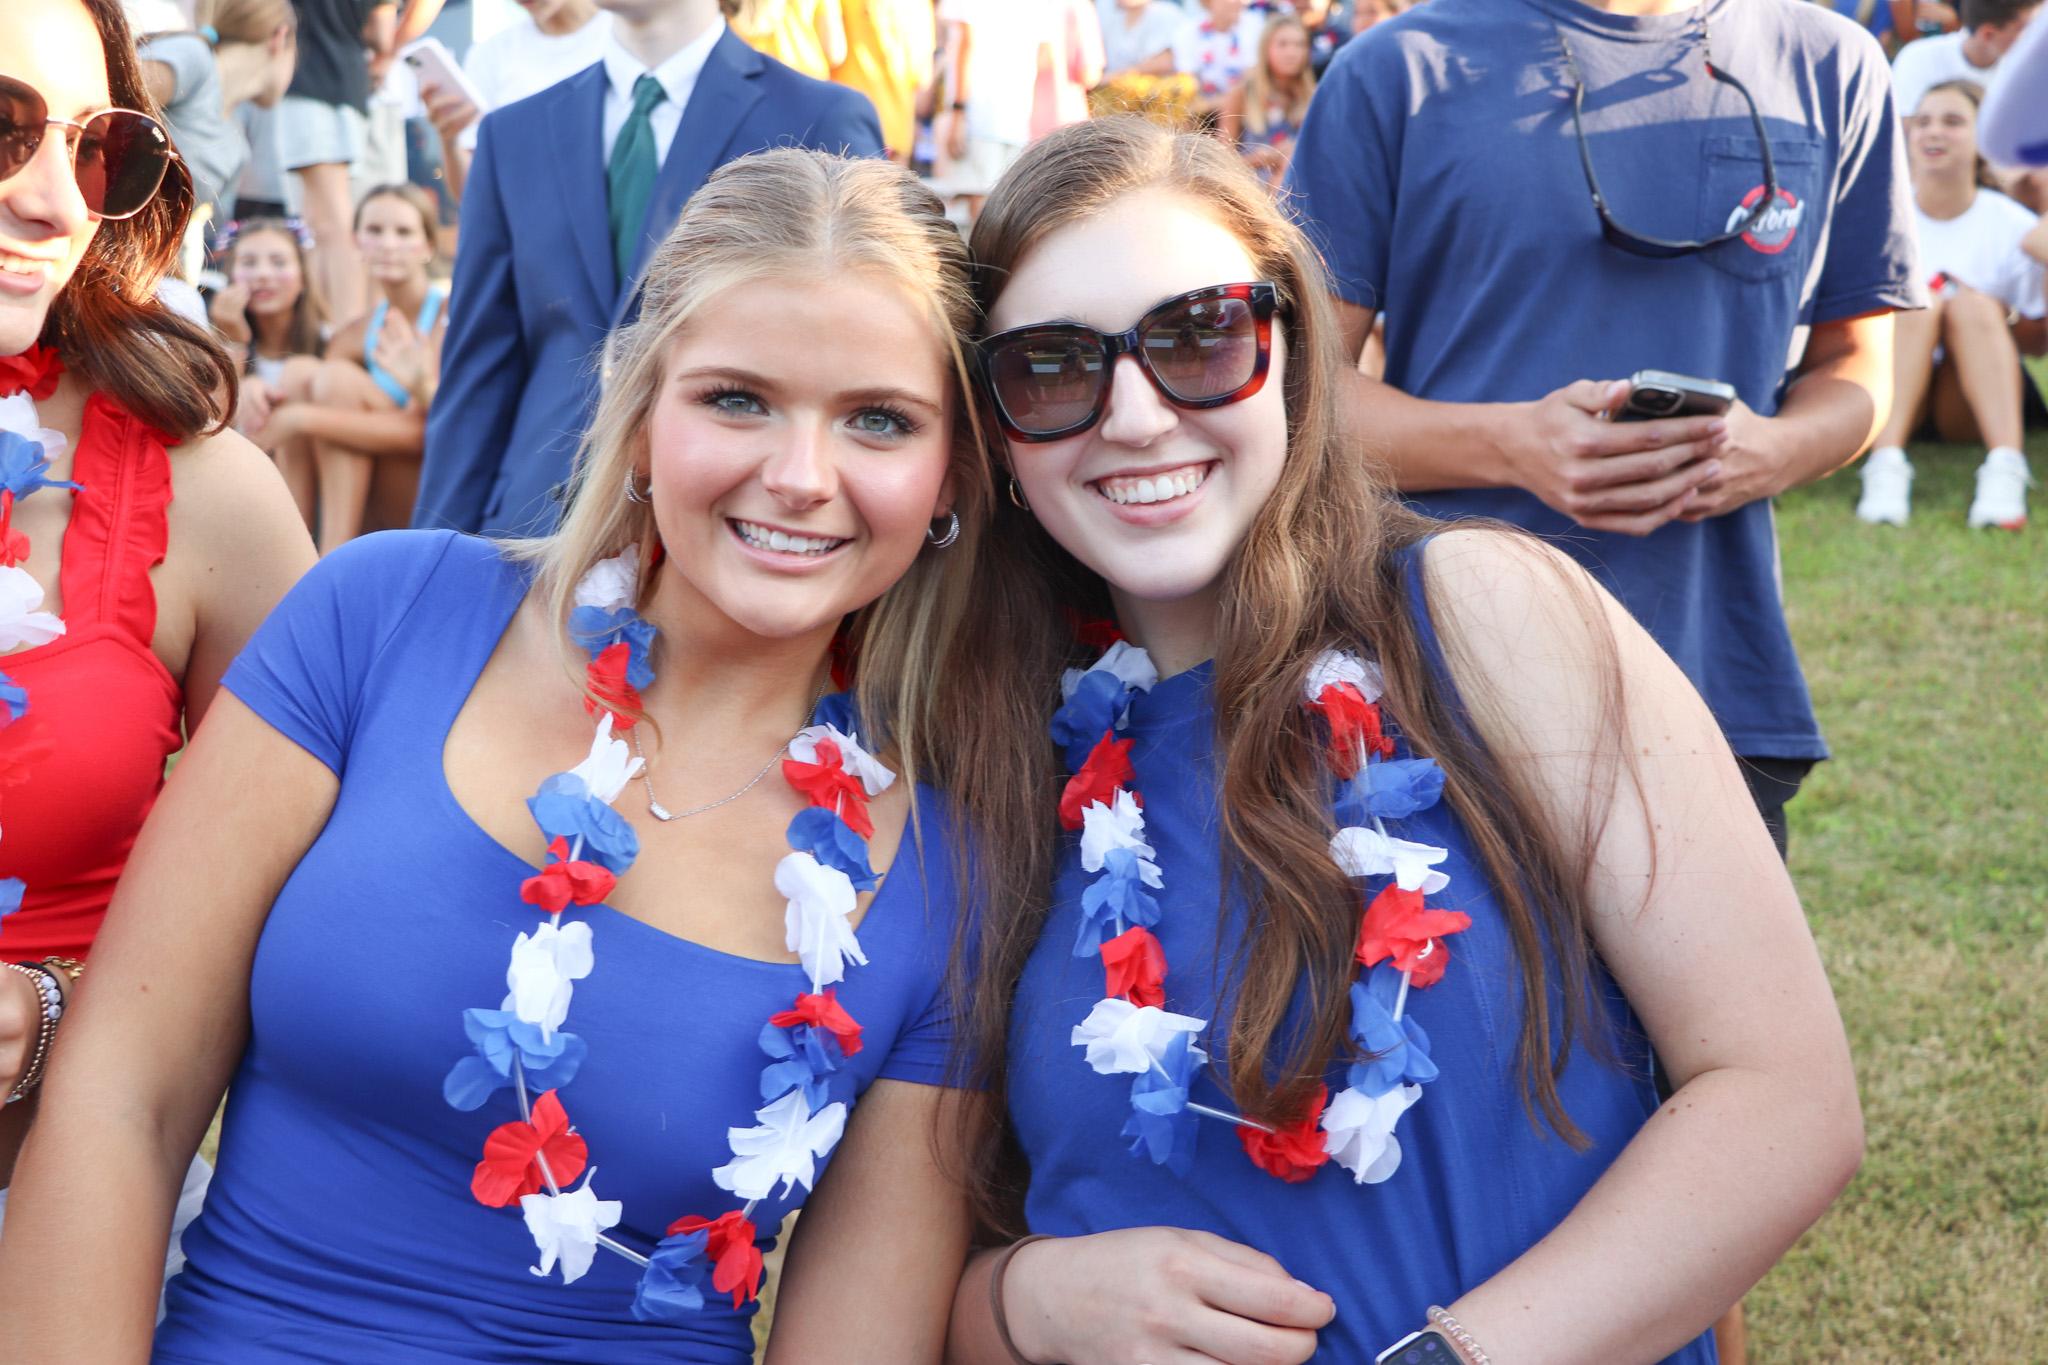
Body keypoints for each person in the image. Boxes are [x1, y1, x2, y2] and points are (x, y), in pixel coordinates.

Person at [0, 148, 987, 1362]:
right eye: (736, 398)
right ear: (640, 413)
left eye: (879, 421)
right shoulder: (385, 618)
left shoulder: (949, 877)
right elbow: (121, 1103)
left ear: (947, 477)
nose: (796, 476)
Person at [934, 117, 1862, 1365]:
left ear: (1293, 354)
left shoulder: (1478, 613)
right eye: (1052, 369)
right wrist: (1015, 1306)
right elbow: (908, 1244)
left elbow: (1780, 1098)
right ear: (992, 427)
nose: (1138, 417)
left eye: (1200, 337)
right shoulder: (980, 744)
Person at [1286, 0, 1916, 862]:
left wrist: (1768, 450)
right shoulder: (1395, 71)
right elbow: (1297, 402)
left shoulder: (1828, 64)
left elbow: (1858, 367)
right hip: (1449, 687)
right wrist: (1512, 443)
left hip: (1713, 673)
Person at [0, 0, 316, 1246]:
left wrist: (54, 1013)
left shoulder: (202, 491)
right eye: (2, 128)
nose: (56, 202)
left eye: (96, 151)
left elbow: (328, 918)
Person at [413, 0, 885, 538]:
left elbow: (857, 353)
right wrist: (429, 558)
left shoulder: (815, 117)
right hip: (528, 522)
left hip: (730, 526)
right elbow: (478, 369)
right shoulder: (514, 134)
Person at [1857, 81, 2046, 527]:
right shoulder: (1877, 217)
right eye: (1922, 122)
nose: (1933, 133)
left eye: (1953, 122)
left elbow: (2037, 343)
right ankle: (1884, 464)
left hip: (1965, 397)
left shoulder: (2009, 223)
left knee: (1971, 305)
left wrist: (1996, 312)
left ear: (1984, 140)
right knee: (1919, 302)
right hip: (1887, 389)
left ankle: (2005, 466)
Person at [254, 183, 446, 553]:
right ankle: (295, 547)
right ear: (357, 241)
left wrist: (302, 418)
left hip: (429, 494)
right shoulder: (352, 335)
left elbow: (426, 434)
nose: (388, 244)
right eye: (374, 231)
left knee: (336, 381)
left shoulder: (446, 316)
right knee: (299, 373)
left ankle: (329, 556)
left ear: (428, 246)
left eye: (403, 232)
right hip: (373, 494)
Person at [420, 0, 612, 205]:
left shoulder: (626, 32)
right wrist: (450, 140)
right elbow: (474, 199)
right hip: (532, 225)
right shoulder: (490, 55)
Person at [278, 0, 399, 324]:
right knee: (332, 221)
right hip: (351, 82)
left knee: (328, 222)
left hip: (308, 81)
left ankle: (345, 335)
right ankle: (349, 330)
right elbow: (381, 34)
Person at [138, 0, 298, 232]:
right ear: (279, 38)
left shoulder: (237, 147)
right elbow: (110, 97)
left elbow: (186, 235)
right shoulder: (195, 58)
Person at [208, 217, 327, 522]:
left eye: (278, 262)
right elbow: (212, 427)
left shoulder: (331, 343)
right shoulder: (211, 347)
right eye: (249, 262)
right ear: (231, 275)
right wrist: (234, 341)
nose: (262, 275)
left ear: (302, 276)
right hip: (245, 505)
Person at [935, 0, 1047, 220]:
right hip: (1015, 114)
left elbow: (966, 42)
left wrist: (958, 111)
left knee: (980, 205)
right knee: (1002, 203)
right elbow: (1044, 54)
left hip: (979, 115)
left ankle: (983, 255)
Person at [1890, 0, 2039, 119]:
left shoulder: (2032, 72)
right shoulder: (1917, 59)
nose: (2038, 36)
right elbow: (1905, 136)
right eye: (2027, 29)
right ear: (1988, 35)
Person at [829, 0, 937, 162]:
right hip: (897, 129)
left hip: (847, 125)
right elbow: (923, 79)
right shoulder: (920, 5)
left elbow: (833, 52)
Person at [1231, 12, 1313, 187]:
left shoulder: (1311, 94)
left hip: (1300, 186)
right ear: (1266, 48)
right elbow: (1220, 161)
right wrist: (1260, 158)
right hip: (1254, 189)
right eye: (1282, 44)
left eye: (1300, 44)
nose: (1292, 52)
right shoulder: (1244, 92)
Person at [1170, 0, 1263, 116]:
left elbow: (1252, 80)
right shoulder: (1187, 33)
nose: (1240, 2)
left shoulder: (1256, 27)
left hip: (1245, 107)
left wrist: (1213, 103)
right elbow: (1187, 81)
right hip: (1203, 113)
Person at [1097, 0, 1181, 79]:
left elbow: (1165, 62)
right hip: (1114, 91)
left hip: (1153, 91)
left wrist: (1112, 78)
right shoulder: (1111, 22)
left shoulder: (1166, 14)